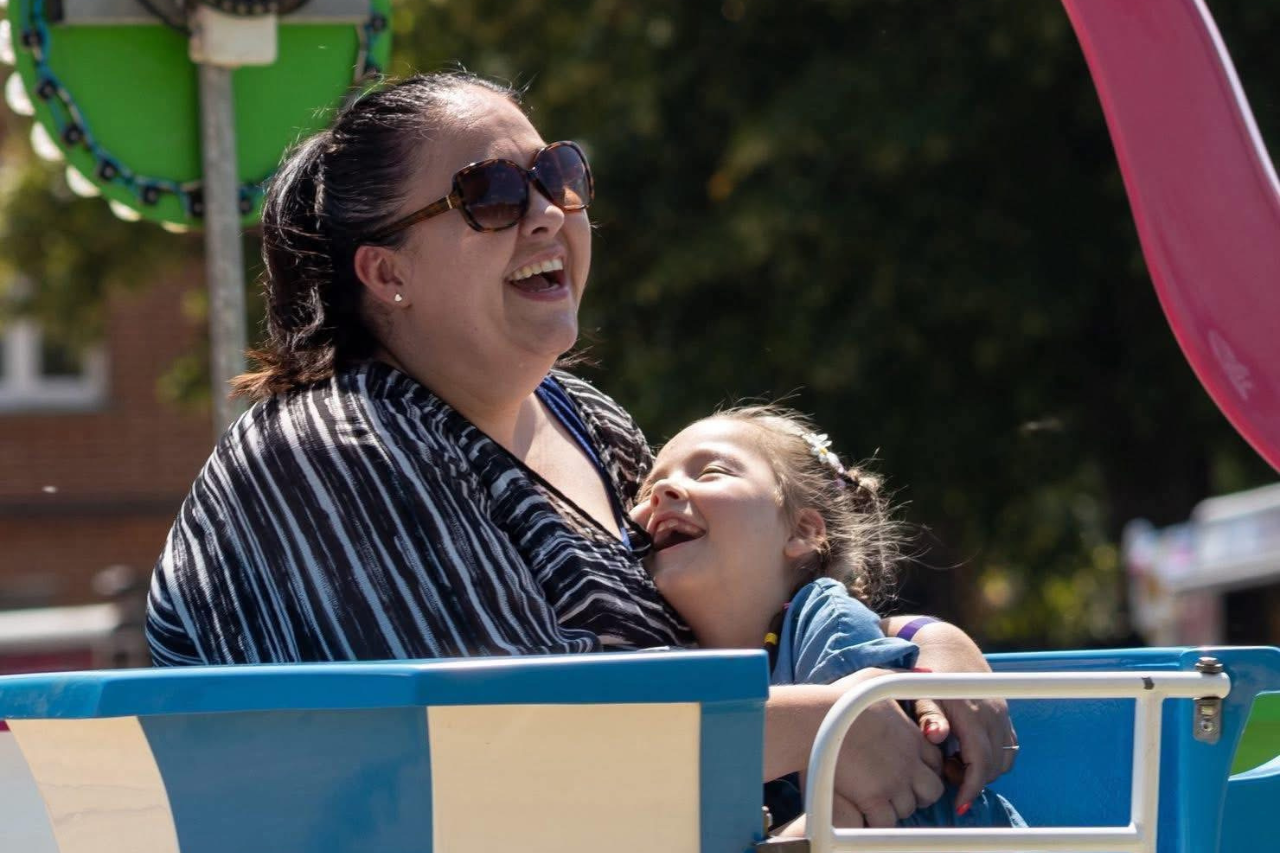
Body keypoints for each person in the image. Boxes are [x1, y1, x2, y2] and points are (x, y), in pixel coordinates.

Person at [146, 71, 1014, 826]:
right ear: (386, 273)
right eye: (489, 194)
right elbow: (485, 759)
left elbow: (756, 616)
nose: (546, 214)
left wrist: (916, 648)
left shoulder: (590, 423)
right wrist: (828, 725)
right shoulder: (323, 450)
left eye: (557, 175)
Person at [631, 405, 1022, 831]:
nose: (663, 490)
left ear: (803, 532)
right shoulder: (666, 657)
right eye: (647, 488)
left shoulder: (826, 617)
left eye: (711, 473)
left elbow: (879, 802)